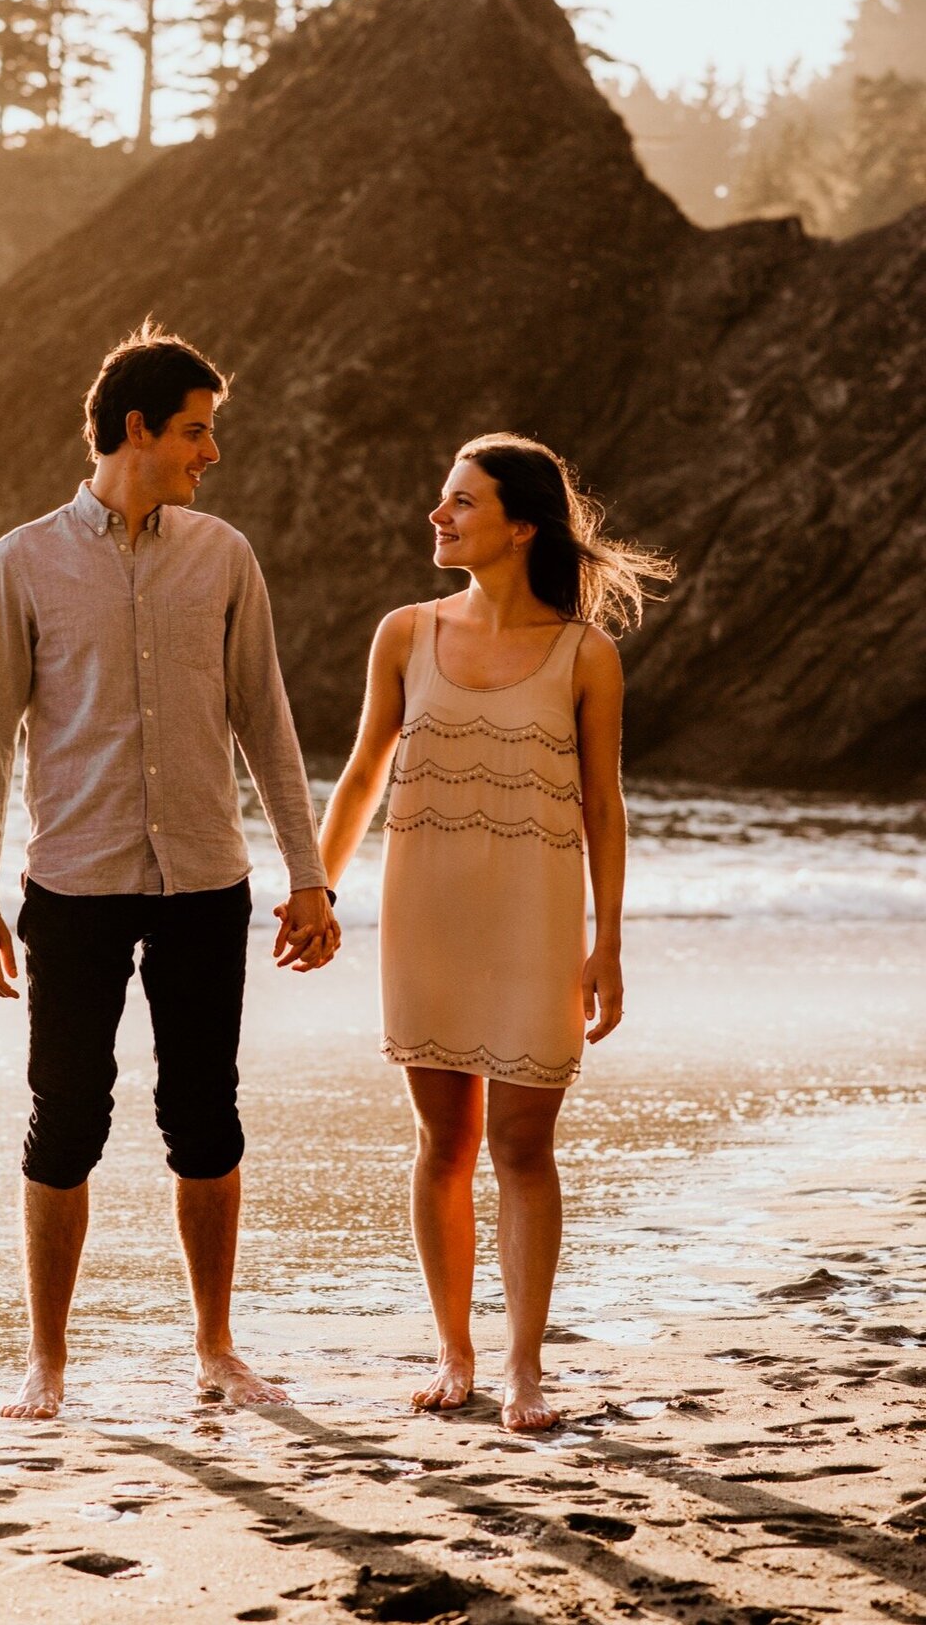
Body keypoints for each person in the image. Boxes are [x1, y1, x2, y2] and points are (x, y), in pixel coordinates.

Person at [0, 321, 339, 1420]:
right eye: (196, 432)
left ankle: (216, 1346)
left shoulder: (223, 555)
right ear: (138, 429)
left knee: (205, 1111)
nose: (209, 454)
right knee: (66, 1116)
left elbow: (265, 719)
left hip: (204, 880)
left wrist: (306, 875)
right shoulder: (21, 561)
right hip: (71, 882)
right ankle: (48, 1363)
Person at [314, 433, 670, 1432]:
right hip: (427, 915)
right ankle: (453, 1349)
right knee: (444, 1140)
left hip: (537, 919)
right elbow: (360, 776)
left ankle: (524, 1365)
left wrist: (608, 945)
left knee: (522, 1142)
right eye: (443, 499)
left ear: (520, 525)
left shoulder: (584, 654)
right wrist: (318, 887)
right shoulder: (403, 632)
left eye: (460, 502)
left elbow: (605, 806)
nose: (439, 516)